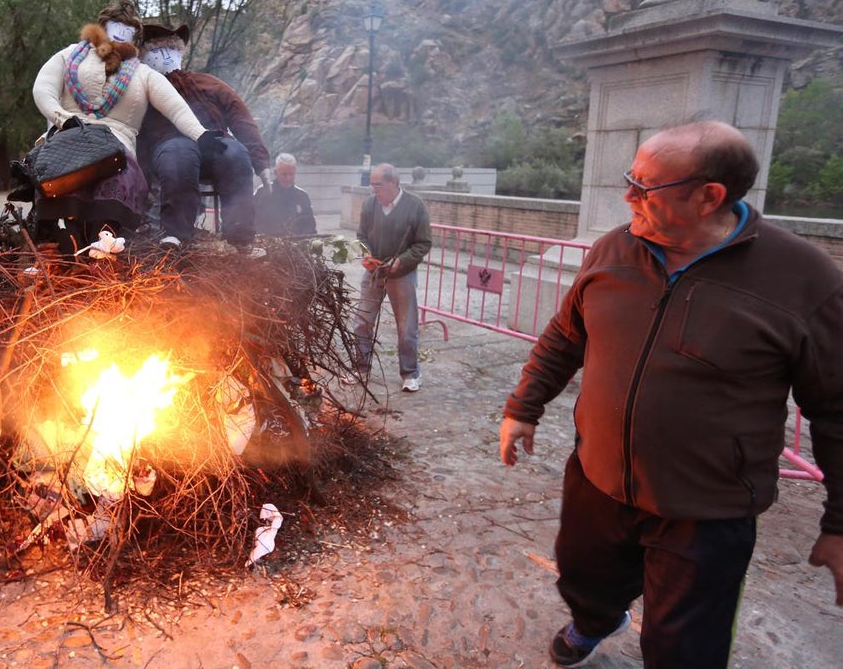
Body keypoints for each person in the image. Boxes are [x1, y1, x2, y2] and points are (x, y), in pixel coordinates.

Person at [498, 120, 843, 668]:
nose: (627, 196)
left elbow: (837, 412)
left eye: (645, 187)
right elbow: (567, 334)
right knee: (584, 578)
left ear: (709, 197)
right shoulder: (614, 247)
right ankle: (596, 621)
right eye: (629, 178)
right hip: (598, 479)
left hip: (705, 510)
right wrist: (524, 406)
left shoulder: (805, 279)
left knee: (683, 648)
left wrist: (840, 523)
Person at [29, 0, 222, 252]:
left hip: (115, 147)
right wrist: (62, 119)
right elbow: (43, 89)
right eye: (113, 29)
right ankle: (58, 243)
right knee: (59, 187)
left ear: (135, 38)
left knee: (116, 186)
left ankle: (105, 246)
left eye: (126, 32)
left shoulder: (142, 74)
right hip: (68, 137)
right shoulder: (68, 56)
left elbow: (175, 107)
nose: (118, 39)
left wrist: (201, 134)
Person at [136, 22, 271, 250]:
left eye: (171, 49)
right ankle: (176, 235)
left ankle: (240, 236)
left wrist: (260, 161)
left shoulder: (208, 83)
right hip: (168, 145)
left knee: (235, 154)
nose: (165, 56)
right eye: (156, 50)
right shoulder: (143, 90)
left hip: (214, 142)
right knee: (178, 155)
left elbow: (240, 116)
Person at [351, 163, 432, 392]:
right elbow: (361, 236)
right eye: (372, 185)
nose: (373, 190)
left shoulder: (415, 206)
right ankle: (361, 368)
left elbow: (423, 243)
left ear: (393, 183)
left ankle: (410, 373)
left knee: (406, 327)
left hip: (402, 274)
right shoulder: (370, 204)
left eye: (378, 185)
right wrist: (365, 253)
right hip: (374, 272)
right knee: (362, 322)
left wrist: (403, 260)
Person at [254, 153, 317, 236]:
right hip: (268, 244)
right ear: (276, 172)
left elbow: (310, 227)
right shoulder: (262, 192)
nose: (288, 178)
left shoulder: (302, 196)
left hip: (296, 245)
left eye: (291, 174)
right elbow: (251, 221)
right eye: (284, 174)